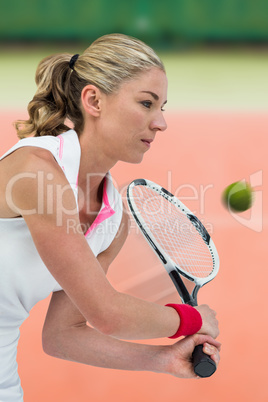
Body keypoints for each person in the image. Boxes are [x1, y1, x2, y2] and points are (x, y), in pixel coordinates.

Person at [0, 33, 220, 401]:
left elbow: (63, 335)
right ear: (93, 100)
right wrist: (193, 319)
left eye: (162, 107)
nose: (161, 122)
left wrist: (163, 359)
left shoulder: (113, 219)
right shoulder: (35, 171)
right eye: (146, 103)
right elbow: (108, 314)